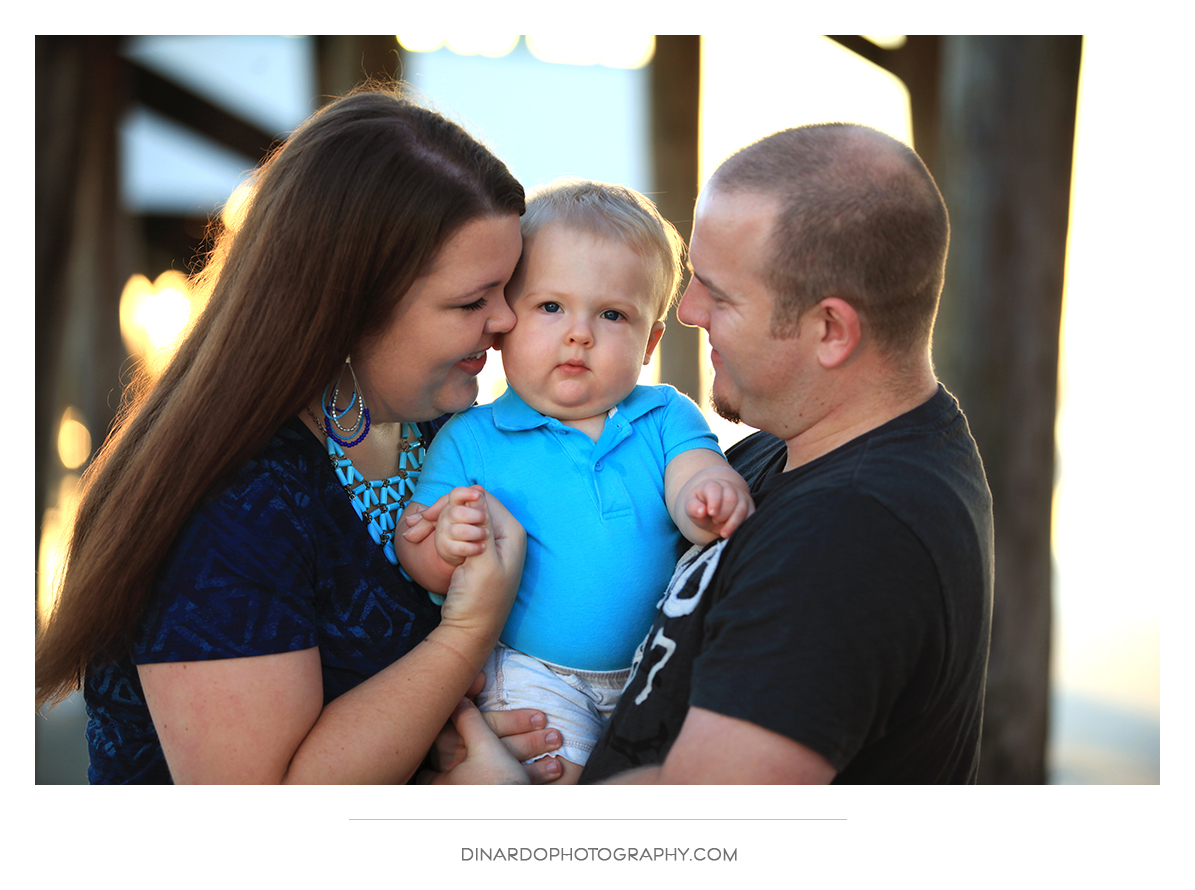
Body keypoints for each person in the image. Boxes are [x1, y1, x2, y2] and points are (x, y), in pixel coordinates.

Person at [433, 123, 995, 785]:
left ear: (830, 329)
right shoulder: (777, 455)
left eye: (718, 293)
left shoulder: (851, 536)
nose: (689, 311)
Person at [34, 88, 563, 784]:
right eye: (472, 300)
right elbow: (262, 825)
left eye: (509, 288)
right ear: (348, 303)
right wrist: (465, 640)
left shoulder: (441, 433)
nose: (506, 320)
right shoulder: (230, 505)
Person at [397, 179, 754, 784]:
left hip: (654, 664)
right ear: (505, 320)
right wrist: (445, 545)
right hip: (533, 673)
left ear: (651, 343)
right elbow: (416, 550)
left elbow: (692, 473)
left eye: (612, 314)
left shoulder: (663, 415)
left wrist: (709, 496)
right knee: (566, 789)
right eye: (551, 306)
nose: (579, 333)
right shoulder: (472, 437)